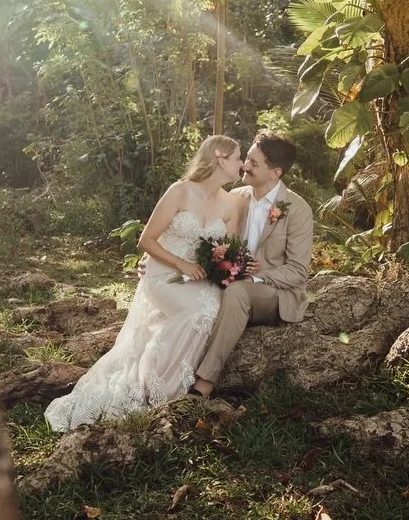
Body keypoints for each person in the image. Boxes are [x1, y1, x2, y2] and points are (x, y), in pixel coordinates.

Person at [45, 135, 246, 431]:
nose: (241, 163)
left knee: (210, 307)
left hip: (200, 279)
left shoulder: (232, 204)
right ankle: (154, 386)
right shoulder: (179, 191)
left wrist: (224, 268)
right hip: (163, 273)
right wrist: (181, 264)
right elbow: (146, 240)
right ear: (220, 157)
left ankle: (168, 386)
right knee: (195, 311)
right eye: (238, 157)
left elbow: (230, 252)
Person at [190, 131, 313, 398]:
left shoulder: (298, 209)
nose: (244, 165)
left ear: (276, 173)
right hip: (229, 280)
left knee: (237, 292)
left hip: (274, 293)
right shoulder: (236, 196)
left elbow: (298, 271)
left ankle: (204, 382)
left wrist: (258, 277)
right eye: (246, 158)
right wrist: (156, 261)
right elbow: (199, 234)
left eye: (254, 163)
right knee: (191, 289)